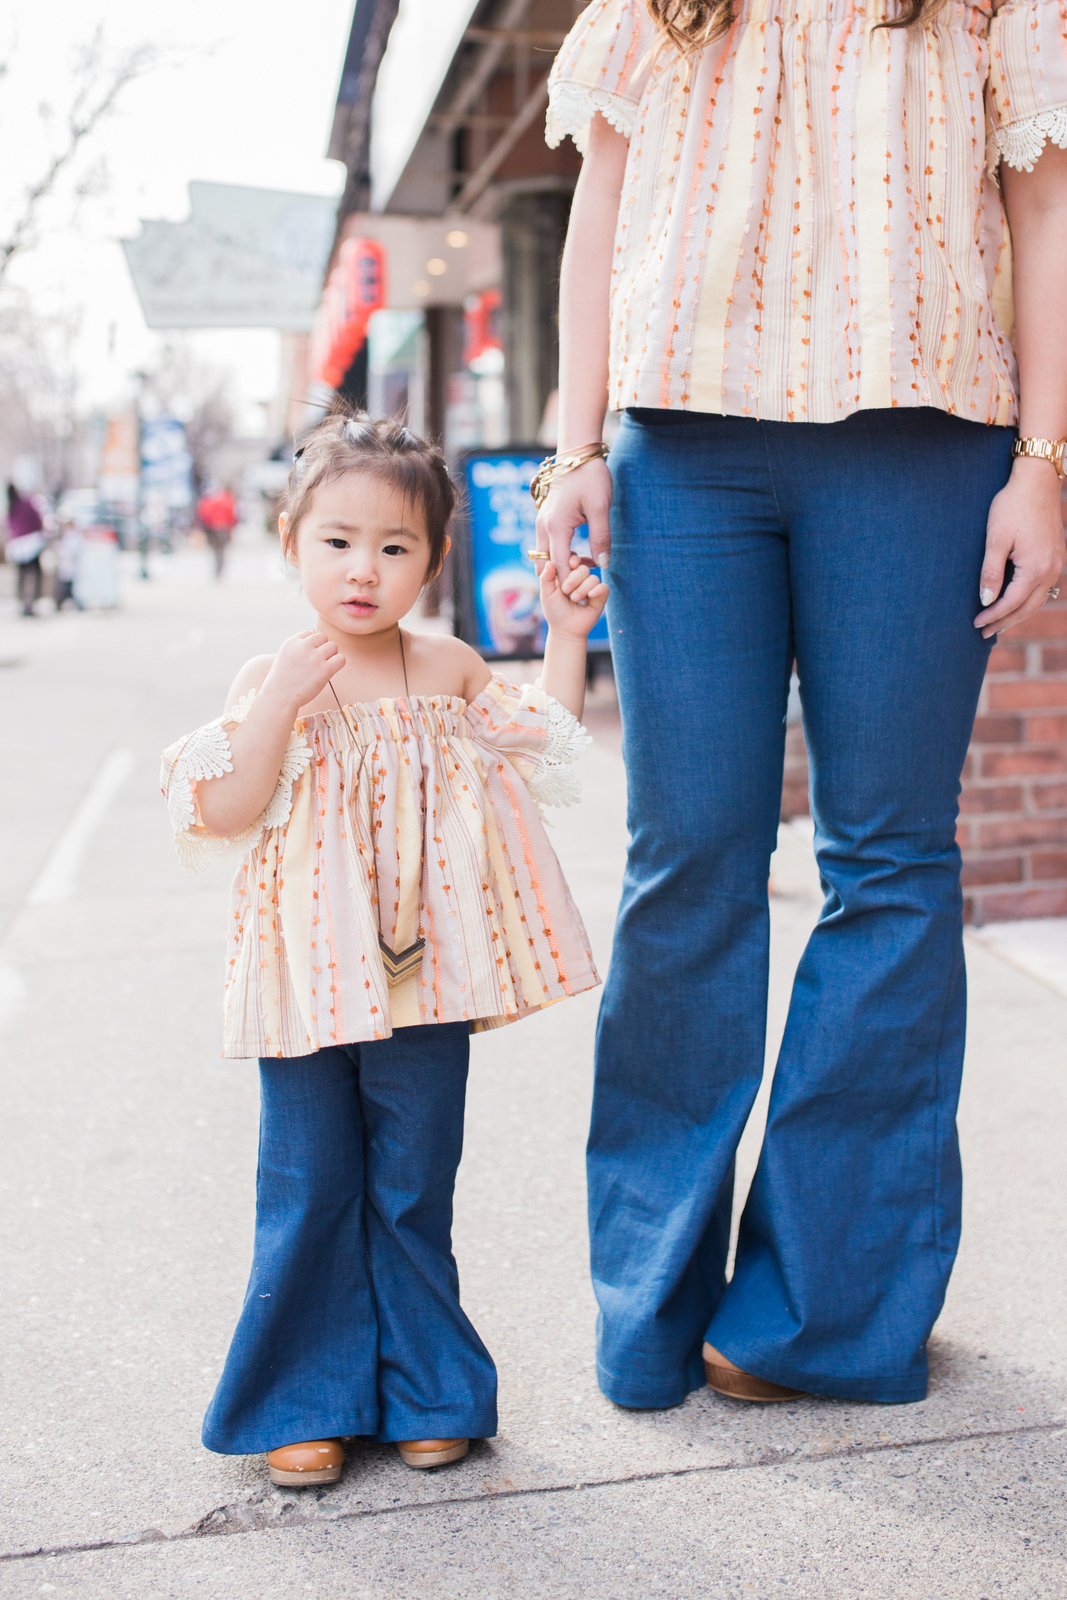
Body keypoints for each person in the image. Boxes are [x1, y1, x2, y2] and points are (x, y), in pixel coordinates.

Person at [537, 0, 1067, 1408]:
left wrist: (1042, 461)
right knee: (685, 857)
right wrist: (568, 447)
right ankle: (645, 1308)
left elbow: (1040, 209)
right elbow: (598, 208)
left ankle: (818, 1315)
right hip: (682, 449)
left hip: (922, 443)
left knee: (887, 864)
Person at [160, 412, 607, 1485]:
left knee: (413, 1182)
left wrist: (562, 632)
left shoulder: (444, 665)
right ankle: (303, 1398)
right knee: (309, 1180)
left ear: (434, 560)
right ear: (289, 542)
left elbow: (545, 743)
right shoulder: (272, 672)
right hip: (302, 984)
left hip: (426, 976)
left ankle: (428, 1388)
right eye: (338, 541)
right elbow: (222, 806)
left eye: (394, 546)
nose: (364, 569)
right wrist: (275, 705)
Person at [6, 484, 46, 617]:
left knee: (21, 576)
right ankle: (31, 603)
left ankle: (21, 602)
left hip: (18, 546)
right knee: (35, 574)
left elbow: (9, 527)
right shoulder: (25, 503)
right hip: (31, 544)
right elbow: (38, 520)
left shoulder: (11, 507)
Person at [196, 485, 239, 578]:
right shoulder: (229, 500)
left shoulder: (212, 501)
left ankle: (217, 567)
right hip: (224, 528)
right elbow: (232, 515)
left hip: (213, 527)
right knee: (221, 549)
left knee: (216, 549)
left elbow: (204, 513)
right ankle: (220, 567)